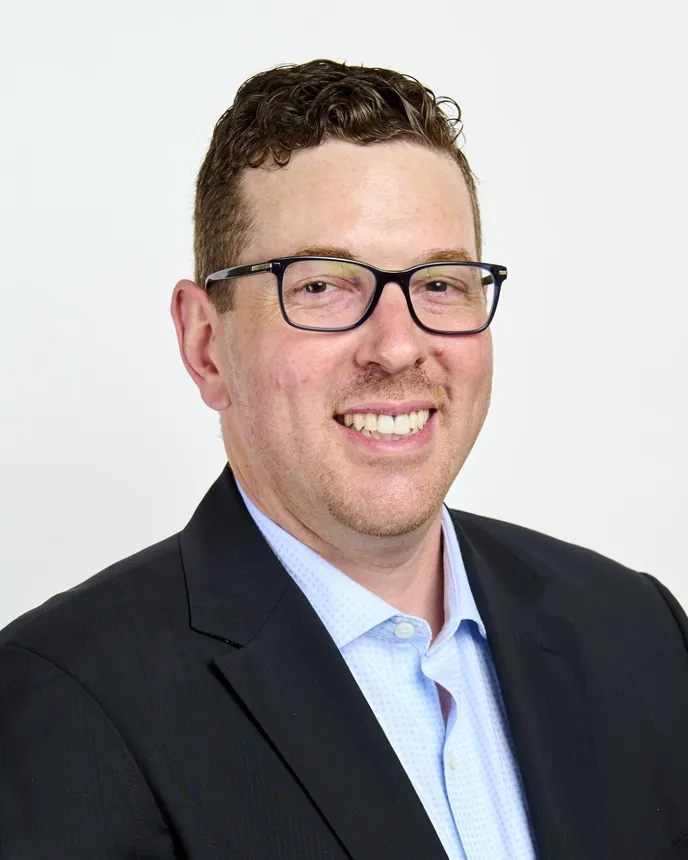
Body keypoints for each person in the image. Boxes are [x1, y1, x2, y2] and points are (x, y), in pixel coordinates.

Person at [1, 59, 686, 860]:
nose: (397, 346)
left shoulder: (640, 633)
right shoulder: (66, 704)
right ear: (206, 343)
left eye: (440, 284)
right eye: (322, 286)